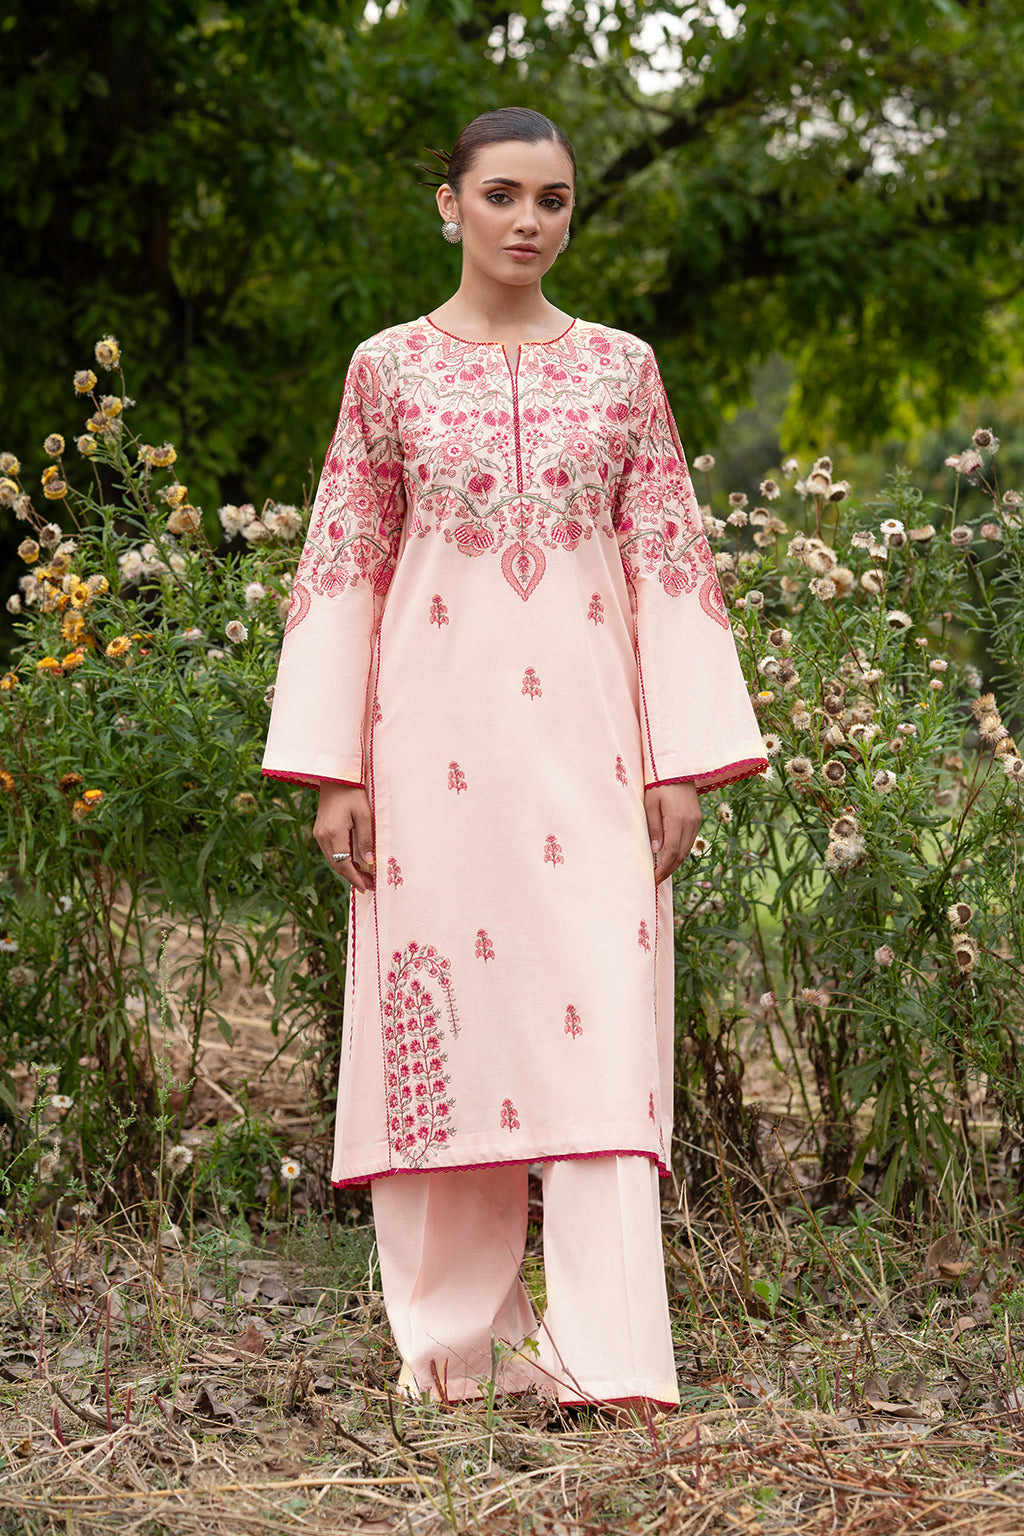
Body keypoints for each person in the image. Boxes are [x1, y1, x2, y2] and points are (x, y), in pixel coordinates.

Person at [263, 107, 767, 1411]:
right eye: (503, 196)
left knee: (603, 1045)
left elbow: (670, 568)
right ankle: (453, 1362)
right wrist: (335, 768)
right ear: (450, 205)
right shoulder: (387, 372)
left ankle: (608, 1365)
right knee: (443, 1038)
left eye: (553, 199)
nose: (530, 222)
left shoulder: (622, 371)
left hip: (595, 757)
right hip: (429, 761)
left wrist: (683, 764)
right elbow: (345, 572)